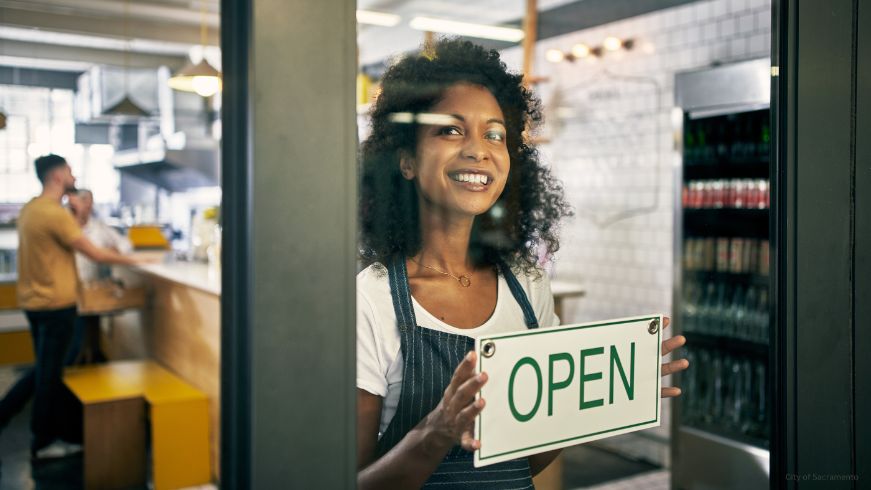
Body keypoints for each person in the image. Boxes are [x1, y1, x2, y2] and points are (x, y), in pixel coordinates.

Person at [355, 39, 689, 489]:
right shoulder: (372, 299)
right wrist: (437, 431)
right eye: (451, 130)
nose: (479, 150)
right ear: (407, 160)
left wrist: (599, 400)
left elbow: (528, 463)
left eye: (495, 134)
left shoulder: (526, 286)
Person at [10, 154, 146, 460]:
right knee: (48, 375)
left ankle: (49, 433)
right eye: (69, 171)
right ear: (57, 176)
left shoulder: (32, 209)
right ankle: (42, 441)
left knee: (47, 372)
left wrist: (75, 211)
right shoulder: (53, 213)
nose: (73, 176)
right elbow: (94, 254)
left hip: (35, 304)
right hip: (57, 305)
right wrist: (137, 260)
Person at [69, 189, 133, 364]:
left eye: (90, 201)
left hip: (92, 292)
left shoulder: (99, 228)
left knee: (91, 336)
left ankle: (89, 369)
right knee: (72, 344)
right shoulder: (65, 226)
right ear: (74, 202)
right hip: (68, 294)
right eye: (83, 201)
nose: (88, 205)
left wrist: (113, 251)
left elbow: (126, 245)